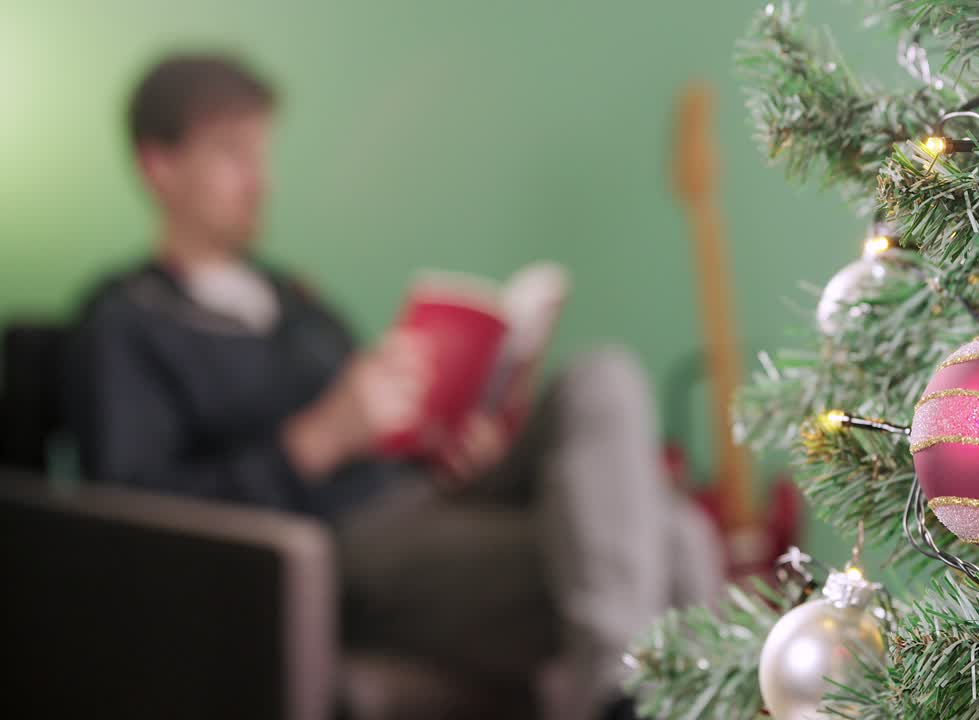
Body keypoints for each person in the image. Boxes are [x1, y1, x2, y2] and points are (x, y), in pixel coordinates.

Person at [64, 53, 722, 720]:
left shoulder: (296, 303)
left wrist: (450, 441)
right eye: (233, 155)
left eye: (263, 154)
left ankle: (622, 695)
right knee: (675, 537)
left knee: (602, 374)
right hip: (339, 546)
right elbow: (135, 518)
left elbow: (386, 431)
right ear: (161, 166)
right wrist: (313, 442)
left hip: (429, 498)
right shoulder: (125, 323)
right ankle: (618, 696)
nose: (259, 180)